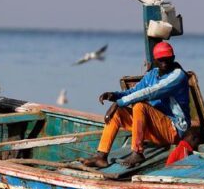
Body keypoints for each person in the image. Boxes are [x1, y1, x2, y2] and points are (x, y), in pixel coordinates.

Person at [80, 41, 190, 169]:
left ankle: (137, 152)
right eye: (161, 60)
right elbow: (134, 91)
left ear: (173, 58)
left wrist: (119, 103)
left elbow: (150, 92)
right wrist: (115, 96)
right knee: (118, 112)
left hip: (173, 130)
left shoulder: (178, 76)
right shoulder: (152, 74)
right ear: (155, 60)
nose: (164, 63)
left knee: (139, 106)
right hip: (154, 128)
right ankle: (101, 156)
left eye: (167, 59)